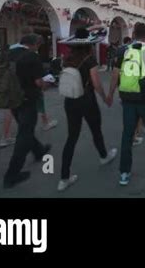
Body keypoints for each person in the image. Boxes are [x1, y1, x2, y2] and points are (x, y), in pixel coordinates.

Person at [107, 23, 145, 186]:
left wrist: (110, 94)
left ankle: (124, 173)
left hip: (127, 98)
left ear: (133, 34)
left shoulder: (122, 51)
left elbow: (115, 75)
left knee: (127, 134)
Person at [58, 28, 117, 192]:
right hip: (86, 100)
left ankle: (64, 178)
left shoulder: (67, 58)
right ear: (88, 44)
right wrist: (106, 98)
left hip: (70, 100)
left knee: (71, 137)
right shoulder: (89, 59)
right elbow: (96, 83)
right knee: (96, 130)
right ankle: (103, 156)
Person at [3, 34, 51, 189]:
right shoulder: (31, 57)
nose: (38, 47)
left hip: (12, 97)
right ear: (34, 44)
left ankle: (38, 151)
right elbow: (38, 82)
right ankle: (12, 174)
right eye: (38, 45)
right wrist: (46, 84)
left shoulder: (9, 54)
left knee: (25, 128)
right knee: (24, 134)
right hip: (27, 99)